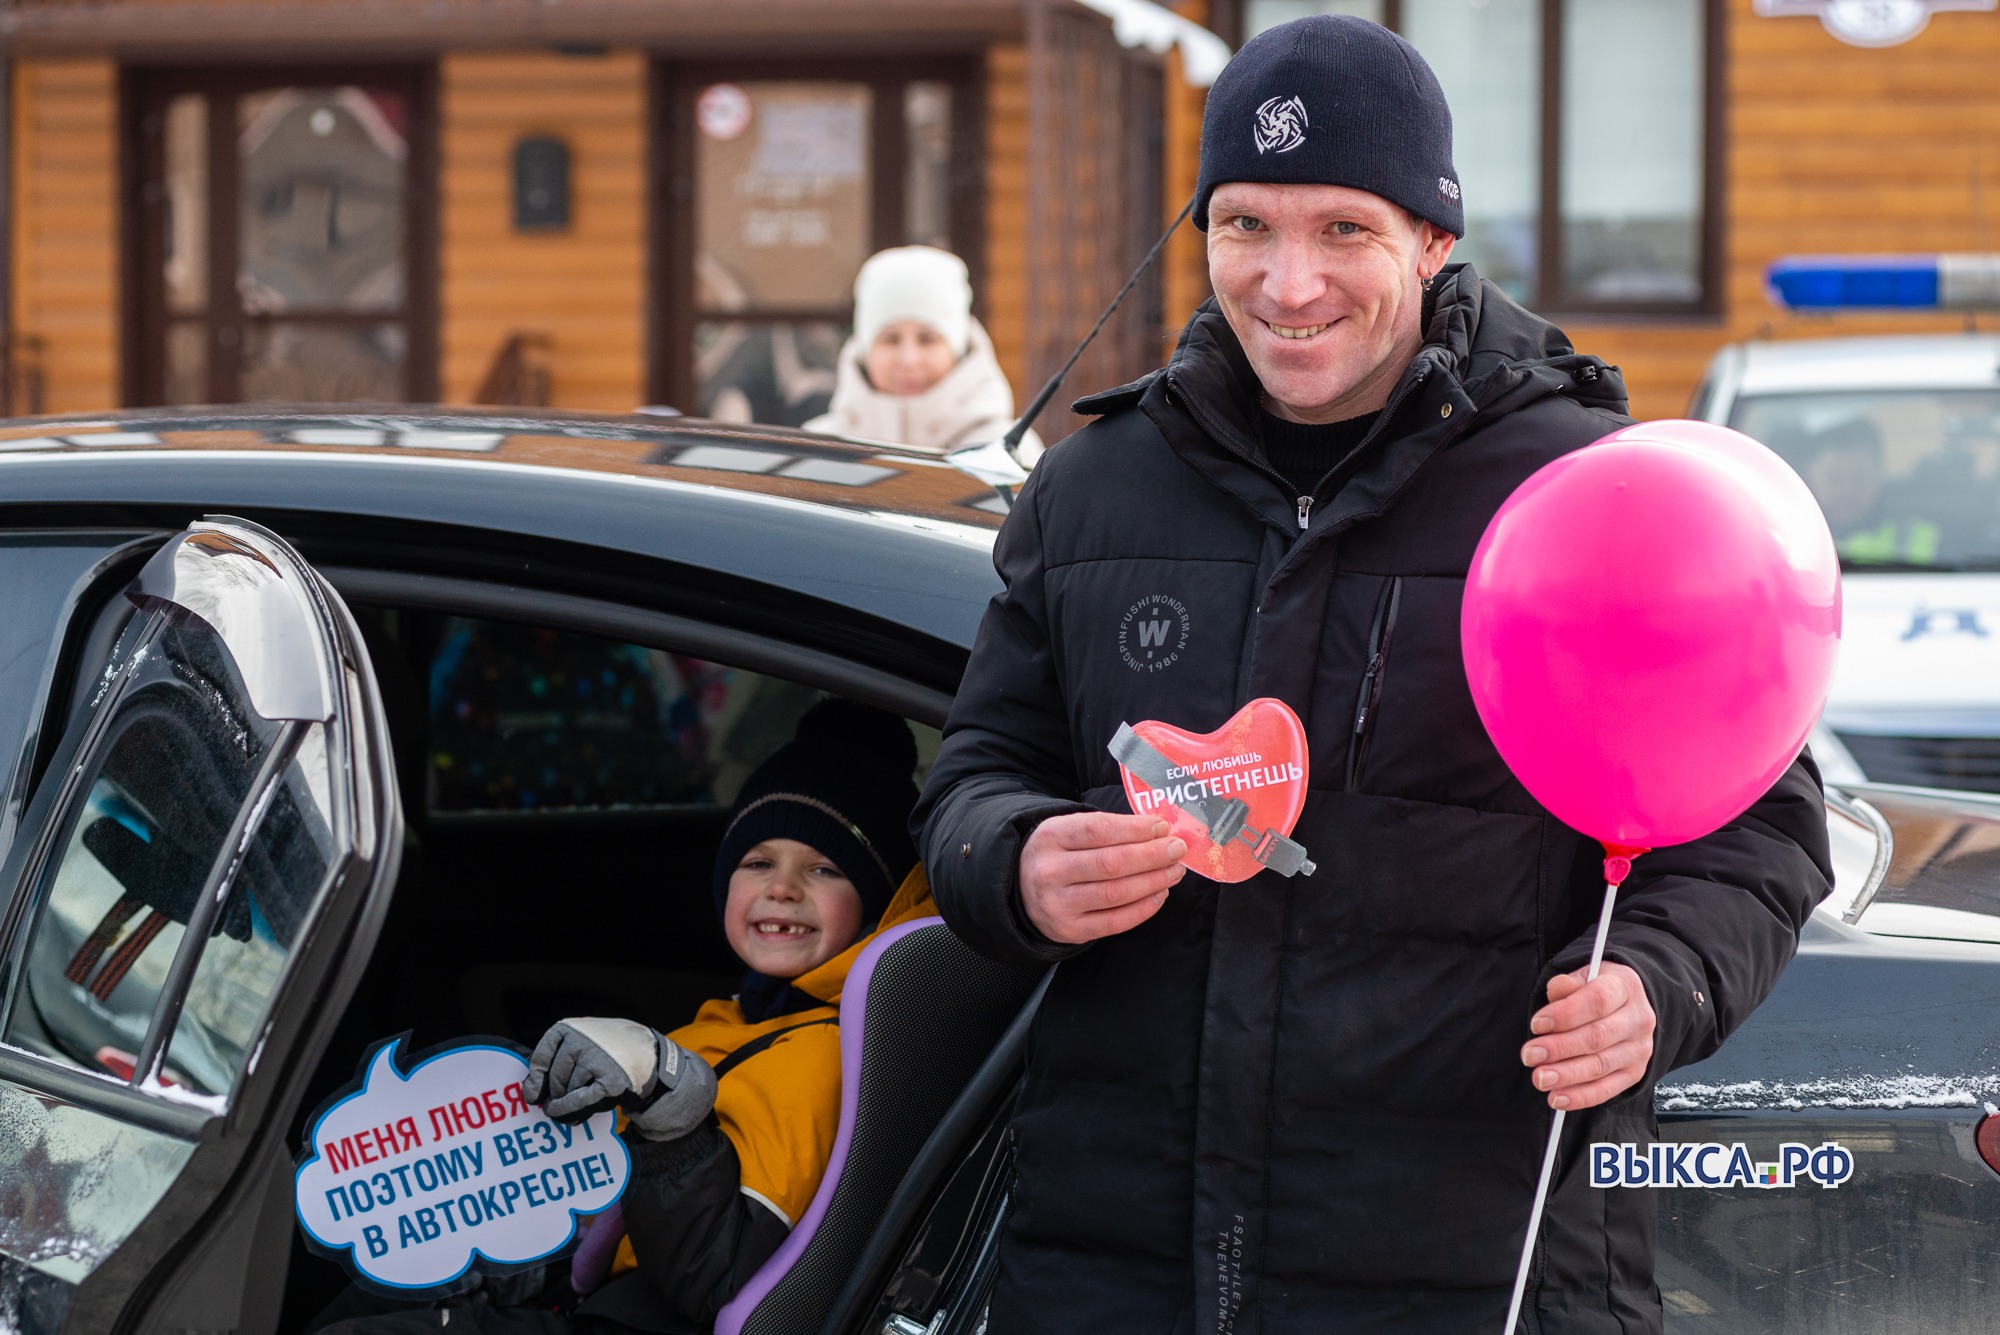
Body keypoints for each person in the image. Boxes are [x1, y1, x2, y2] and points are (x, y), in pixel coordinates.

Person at [913, 16, 1831, 1335]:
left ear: (1432, 239)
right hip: (1119, 1261)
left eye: (1344, 229)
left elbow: (1756, 825)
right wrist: (1015, 860)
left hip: (1472, 1262)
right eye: (1245, 225)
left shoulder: (1584, 488)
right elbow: (972, 779)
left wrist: (1659, 983)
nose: (1288, 283)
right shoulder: (1093, 487)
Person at [312, 699, 930, 1334]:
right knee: (364, 1303)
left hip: (641, 1317)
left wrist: (672, 1120)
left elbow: (719, 1280)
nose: (783, 888)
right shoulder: (742, 1021)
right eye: (759, 862)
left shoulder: (820, 1061)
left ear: (877, 903)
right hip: (601, 1288)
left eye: (824, 869)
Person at [803, 245, 1044, 464]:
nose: (909, 360)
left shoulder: (1012, 454)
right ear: (865, 349)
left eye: (927, 339)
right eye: (890, 339)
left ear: (958, 349)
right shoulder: (815, 450)